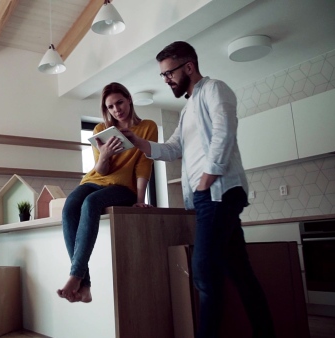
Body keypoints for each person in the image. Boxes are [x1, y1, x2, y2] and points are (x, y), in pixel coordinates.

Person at [121, 41, 275, 337]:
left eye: (168, 74)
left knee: (204, 271)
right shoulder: (187, 108)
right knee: (240, 273)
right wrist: (137, 141)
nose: (166, 80)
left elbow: (224, 129)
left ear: (188, 67)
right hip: (207, 197)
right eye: (163, 76)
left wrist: (208, 176)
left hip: (218, 192)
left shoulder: (215, 89)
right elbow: (172, 148)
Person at [57, 82, 158, 303]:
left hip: (123, 188)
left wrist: (140, 200)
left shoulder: (148, 126)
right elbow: (101, 170)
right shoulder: (100, 130)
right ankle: (85, 286)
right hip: (94, 180)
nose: (116, 110)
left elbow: (143, 165)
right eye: (110, 107)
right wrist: (104, 155)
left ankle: (76, 277)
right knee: (69, 208)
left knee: (91, 204)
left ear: (129, 99)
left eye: (119, 103)